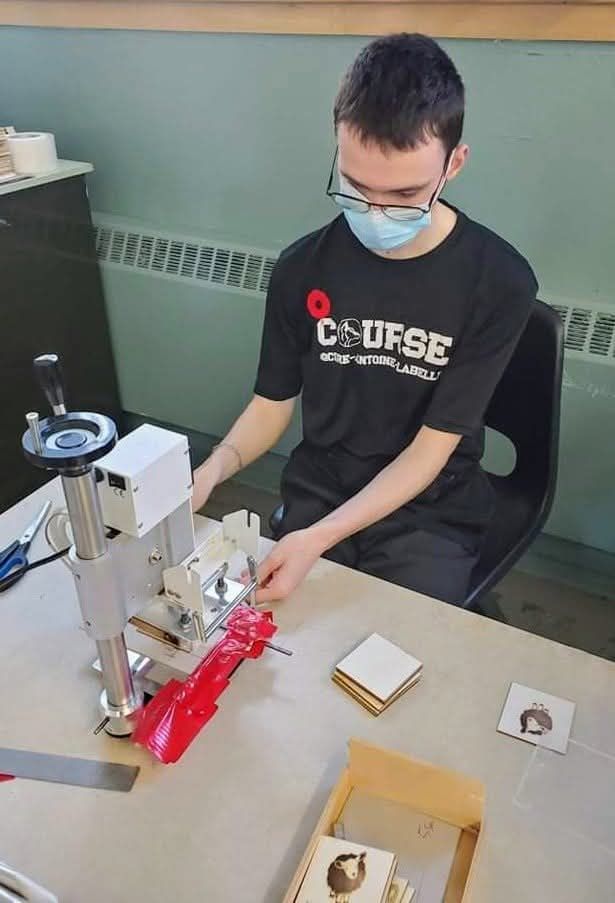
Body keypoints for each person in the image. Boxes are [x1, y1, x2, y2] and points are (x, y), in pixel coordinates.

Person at [192, 33, 537, 606]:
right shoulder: (302, 268)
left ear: (454, 163)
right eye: (355, 188)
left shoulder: (498, 281)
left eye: (404, 194)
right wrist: (211, 471)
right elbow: (271, 405)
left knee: (393, 639)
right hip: (320, 487)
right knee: (279, 630)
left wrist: (318, 538)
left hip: (430, 507)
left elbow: (432, 451)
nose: (376, 214)